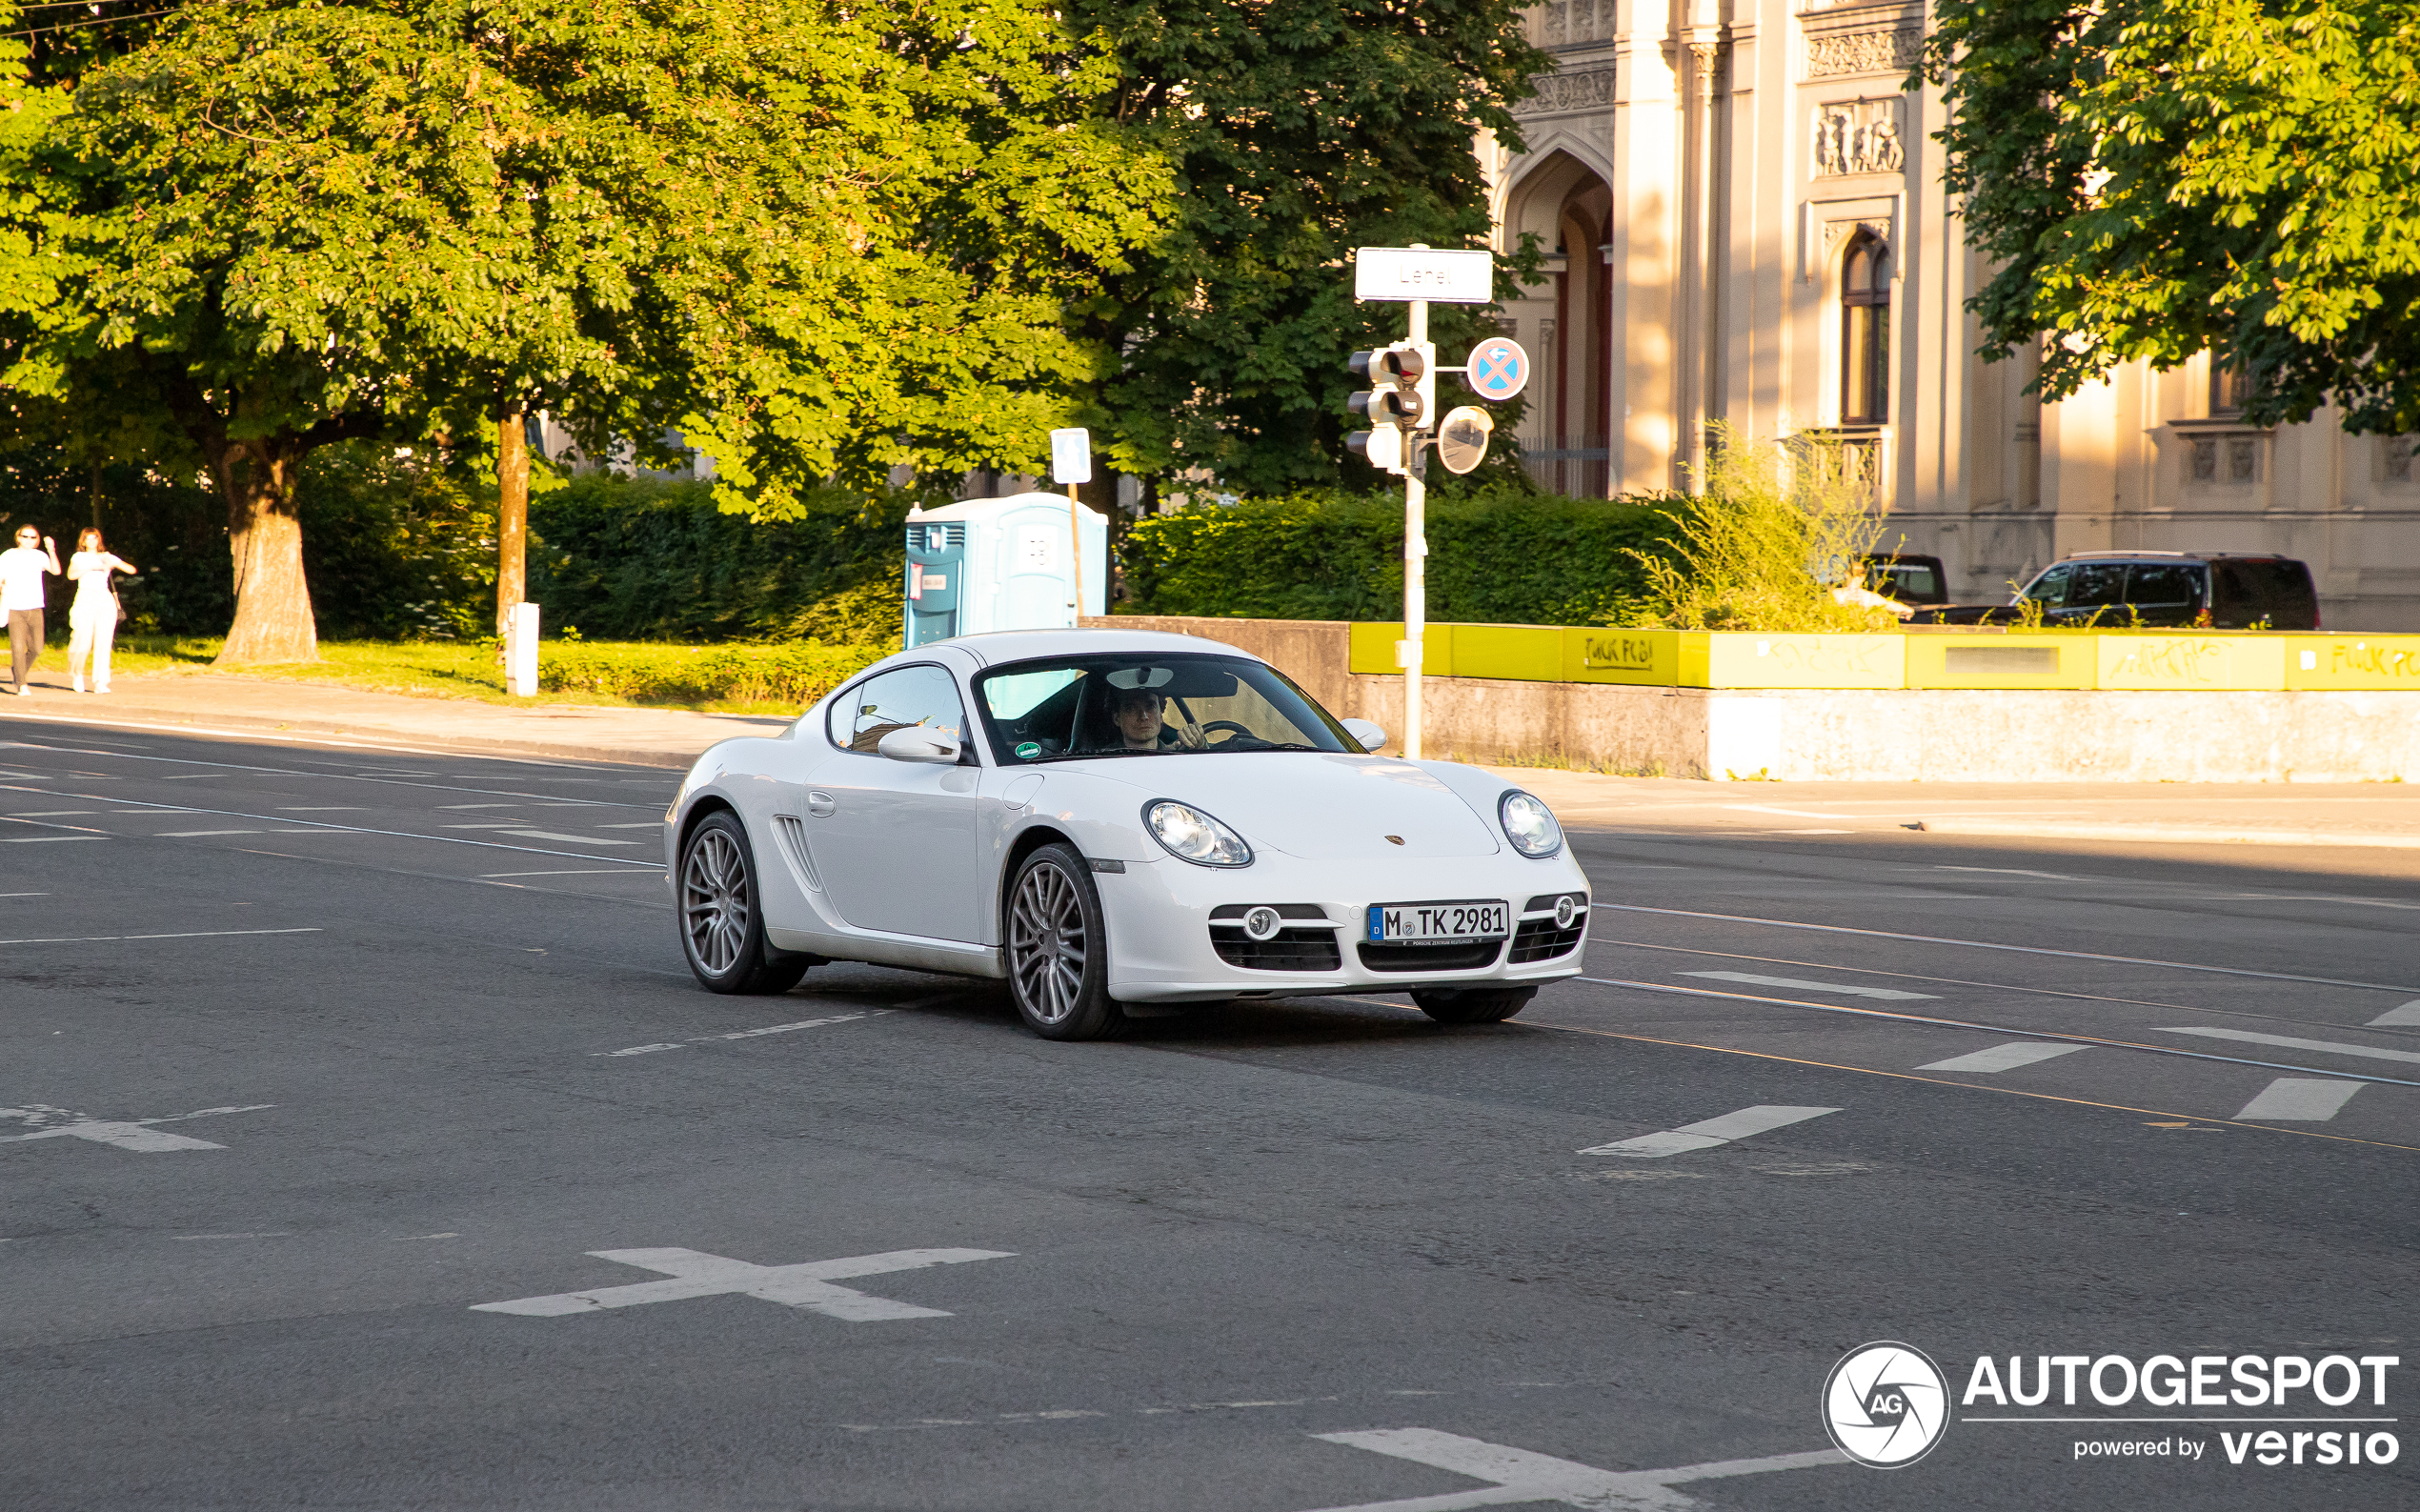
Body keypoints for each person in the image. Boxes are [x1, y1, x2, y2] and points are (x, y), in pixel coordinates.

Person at [66, 528, 136, 694]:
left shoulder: (106, 556)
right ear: (82, 541)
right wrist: (90, 567)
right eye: (88, 539)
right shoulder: (79, 557)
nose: (91, 542)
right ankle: (77, 673)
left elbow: (131, 570)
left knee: (104, 640)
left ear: (99, 540)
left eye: (94, 538)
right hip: (85, 596)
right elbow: (71, 575)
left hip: (104, 597)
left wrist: (112, 562)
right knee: (82, 639)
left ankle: (100, 681)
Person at [2, 522, 61, 696]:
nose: (28, 540)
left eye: (32, 537)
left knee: (37, 648)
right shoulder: (8, 555)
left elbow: (56, 571)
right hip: (15, 607)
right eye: (25, 536)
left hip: (35, 607)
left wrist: (51, 550)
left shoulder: (40, 556)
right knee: (18, 648)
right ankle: (21, 684)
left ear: (37, 540)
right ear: (18, 538)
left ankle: (18, 671)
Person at [1109, 686, 1167, 752]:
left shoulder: (1175, 757)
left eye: (1150, 706)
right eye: (1131, 708)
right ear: (1117, 719)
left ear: (1160, 715)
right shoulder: (1103, 759)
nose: (1144, 717)